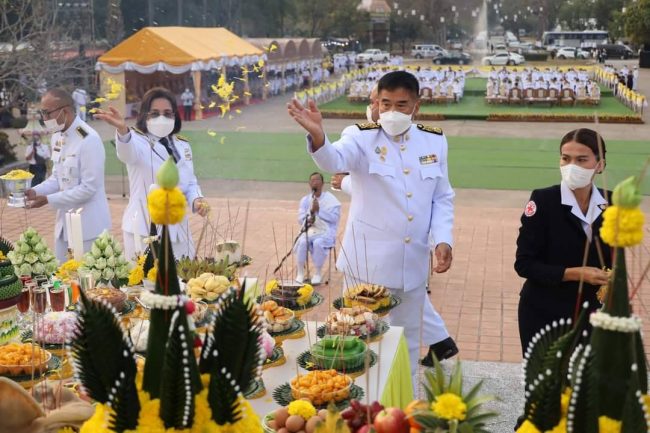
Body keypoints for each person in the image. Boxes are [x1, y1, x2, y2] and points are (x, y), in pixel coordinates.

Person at [287, 70, 458, 385]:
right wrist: (318, 137)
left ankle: (402, 408)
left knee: (407, 342)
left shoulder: (433, 139)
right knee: (356, 340)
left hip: (413, 264)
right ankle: (356, 409)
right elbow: (334, 159)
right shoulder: (362, 136)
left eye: (402, 104)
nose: (392, 111)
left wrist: (443, 240)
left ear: (417, 105)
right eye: (386, 103)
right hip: (365, 266)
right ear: (377, 102)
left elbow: (442, 197)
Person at [515, 128, 612, 354]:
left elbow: (615, 259)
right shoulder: (543, 201)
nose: (572, 167)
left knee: (583, 385)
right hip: (545, 314)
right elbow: (524, 264)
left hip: (593, 317)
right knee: (545, 387)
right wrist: (576, 273)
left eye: (582, 160)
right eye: (565, 158)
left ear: (600, 165)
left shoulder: (612, 204)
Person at [94, 87, 210, 262]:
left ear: (175, 116)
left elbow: (189, 182)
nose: (161, 118)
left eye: (167, 113)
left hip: (178, 229)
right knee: (146, 286)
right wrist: (122, 130)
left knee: (185, 282)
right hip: (145, 229)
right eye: (155, 113)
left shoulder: (182, 145)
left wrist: (197, 199)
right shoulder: (136, 140)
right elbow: (127, 153)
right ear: (144, 115)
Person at [26, 88, 111, 263]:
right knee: (62, 280)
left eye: (47, 112)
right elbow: (57, 178)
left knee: (89, 285)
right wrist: (33, 192)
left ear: (64, 111)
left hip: (89, 227)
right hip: (64, 226)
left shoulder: (89, 139)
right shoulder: (57, 137)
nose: (44, 118)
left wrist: (48, 200)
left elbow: (89, 188)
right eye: (42, 112)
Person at [294, 172, 341, 285]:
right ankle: (300, 273)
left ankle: (318, 273)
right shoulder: (305, 200)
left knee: (318, 243)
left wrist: (319, 211)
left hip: (326, 231)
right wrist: (310, 216)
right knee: (303, 241)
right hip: (310, 230)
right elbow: (300, 219)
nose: (315, 182)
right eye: (313, 180)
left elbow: (334, 219)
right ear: (309, 184)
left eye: (317, 180)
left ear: (323, 183)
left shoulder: (331, 200)